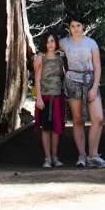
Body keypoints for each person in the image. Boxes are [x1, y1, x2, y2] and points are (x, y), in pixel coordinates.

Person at [60, 13, 105, 169]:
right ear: (69, 28)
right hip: (72, 81)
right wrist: (39, 57)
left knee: (98, 118)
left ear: (83, 27)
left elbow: (97, 66)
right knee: (78, 119)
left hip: (90, 81)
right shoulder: (64, 42)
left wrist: (95, 87)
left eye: (78, 26)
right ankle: (82, 155)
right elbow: (48, 46)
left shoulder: (91, 43)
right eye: (73, 26)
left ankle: (93, 155)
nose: (76, 29)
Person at [34, 30, 66, 168]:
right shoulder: (41, 59)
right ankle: (47, 158)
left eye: (52, 41)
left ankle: (55, 157)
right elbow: (37, 79)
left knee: (56, 129)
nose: (50, 44)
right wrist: (38, 98)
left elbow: (62, 75)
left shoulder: (60, 59)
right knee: (46, 129)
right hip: (45, 99)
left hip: (58, 98)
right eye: (47, 41)